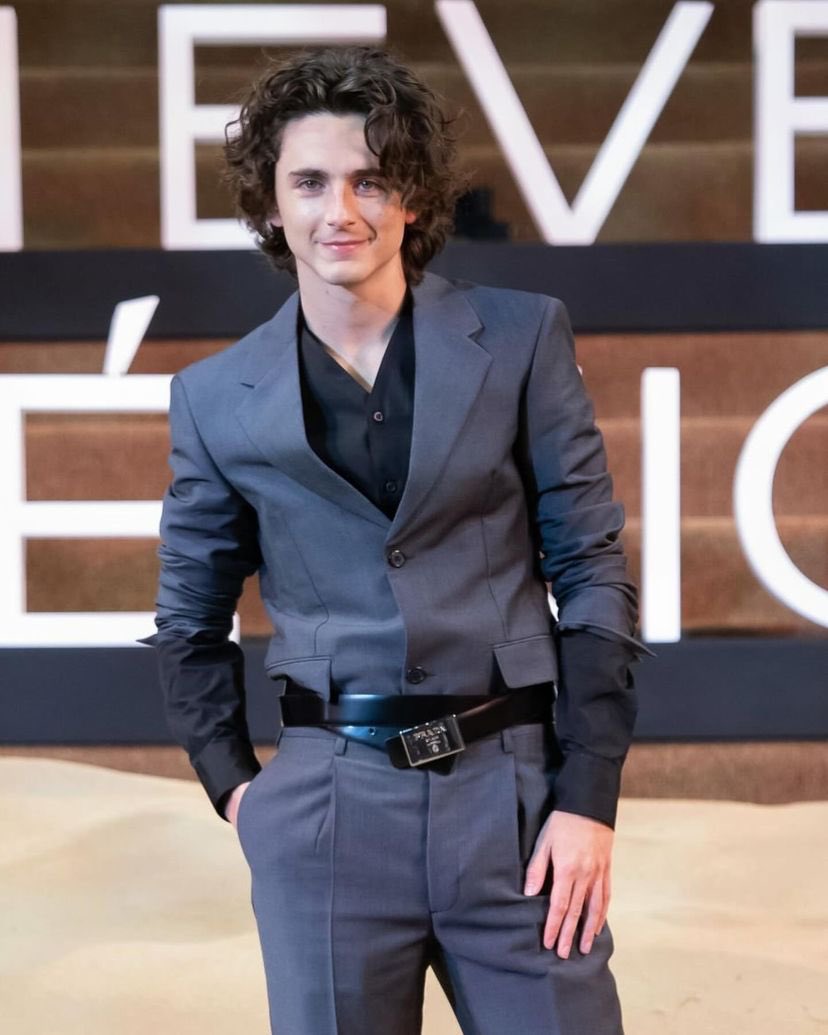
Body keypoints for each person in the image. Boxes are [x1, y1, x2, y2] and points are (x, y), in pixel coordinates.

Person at [146, 45, 647, 1035]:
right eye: (311, 182)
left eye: (369, 179)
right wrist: (241, 794)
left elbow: (591, 569)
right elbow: (188, 622)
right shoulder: (214, 398)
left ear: (411, 195)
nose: (341, 210)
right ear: (271, 204)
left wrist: (588, 796)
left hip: (515, 805)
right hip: (327, 815)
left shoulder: (521, 338)